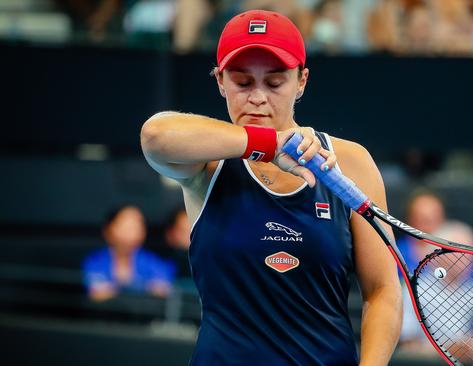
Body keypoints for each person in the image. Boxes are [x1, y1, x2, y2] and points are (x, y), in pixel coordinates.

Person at [140, 9, 401, 366]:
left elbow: (382, 290)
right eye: (243, 82)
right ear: (220, 81)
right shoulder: (207, 162)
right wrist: (273, 144)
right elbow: (155, 135)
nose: (258, 97)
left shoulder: (349, 162)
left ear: (302, 81)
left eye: (275, 82)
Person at [399, 220, 473, 363]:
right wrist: (448, 351)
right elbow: (407, 345)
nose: (467, 257)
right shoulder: (413, 291)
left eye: (471, 251)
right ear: (438, 253)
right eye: (460, 252)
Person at [83, 205, 175, 302]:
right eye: (126, 226)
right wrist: (143, 287)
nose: (133, 232)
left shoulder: (154, 262)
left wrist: (117, 288)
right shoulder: (95, 260)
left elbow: (163, 290)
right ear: (108, 229)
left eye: (137, 226)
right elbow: (96, 293)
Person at [396, 189, 446, 271]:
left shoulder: (455, 253)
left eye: (432, 219)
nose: (427, 226)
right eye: (421, 219)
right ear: (410, 220)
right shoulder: (398, 253)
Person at [161, 207, 192, 279]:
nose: (189, 238)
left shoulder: (207, 270)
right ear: (169, 234)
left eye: (192, 232)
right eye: (183, 232)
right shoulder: (156, 269)